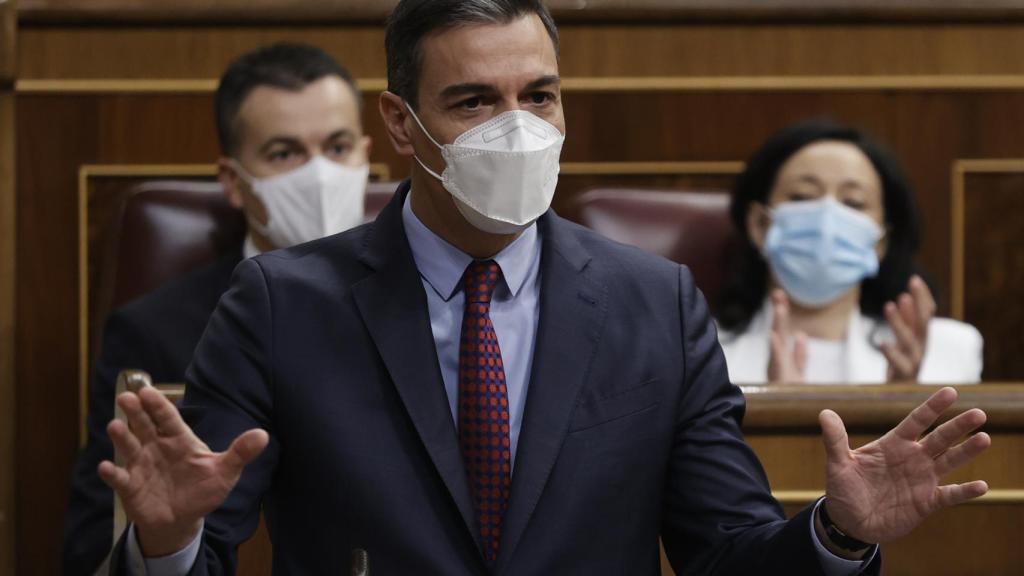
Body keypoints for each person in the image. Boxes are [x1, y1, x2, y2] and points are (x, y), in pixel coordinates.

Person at [100, 2, 990, 574]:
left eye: (542, 96)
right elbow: (202, 553)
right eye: (477, 102)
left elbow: (724, 554)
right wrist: (167, 542)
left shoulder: (657, 303)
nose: (519, 129)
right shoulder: (281, 304)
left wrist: (837, 532)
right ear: (402, 126)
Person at [63, 42, 371, 575]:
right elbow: (96, 547)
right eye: (284, 153)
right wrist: (163, 537)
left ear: (368, 152)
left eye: (339, 147)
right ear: (232, 180)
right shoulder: (153, 331)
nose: (320, 175)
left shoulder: (435, 297)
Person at [717, 119, 983, 385]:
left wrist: (902, 400)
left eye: (854, 203)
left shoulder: (949, 351)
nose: (827, 219)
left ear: (880, 241)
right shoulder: (702, 352)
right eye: (802, 196)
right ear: (759, 225)